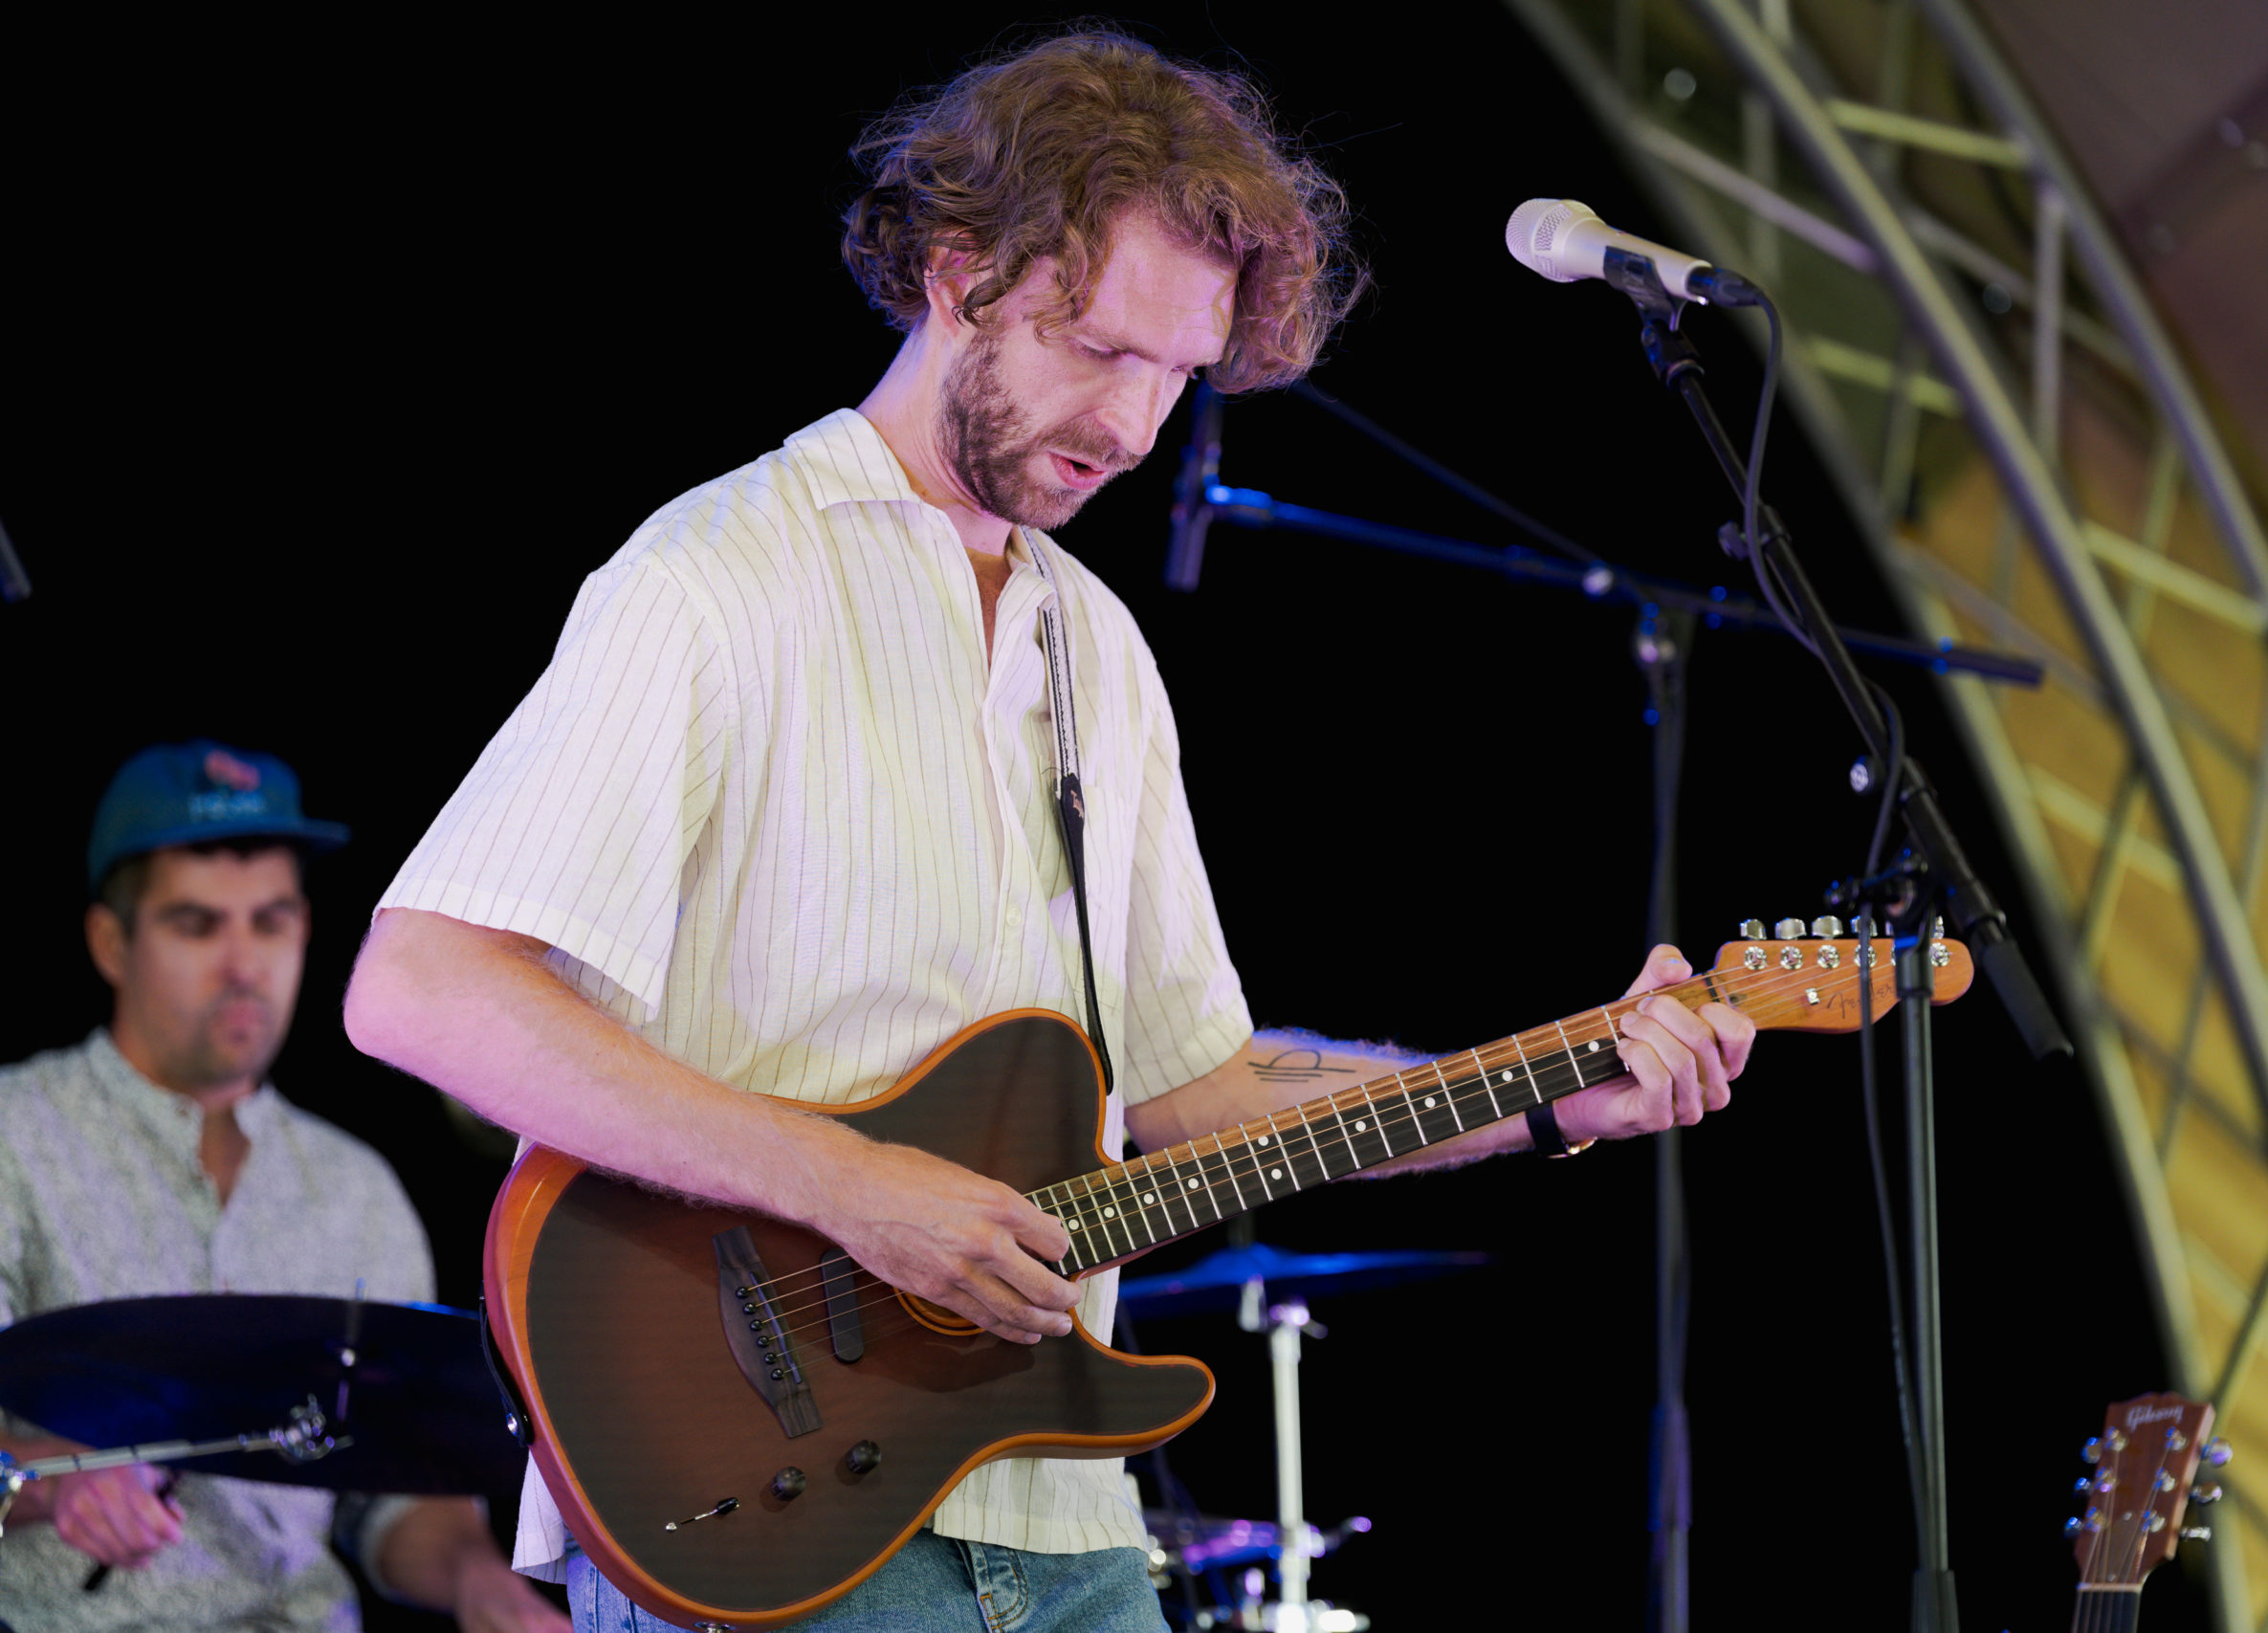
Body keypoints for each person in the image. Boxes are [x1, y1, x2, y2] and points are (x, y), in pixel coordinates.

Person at [341, 30, 1756, 1633]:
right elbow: (422, 987)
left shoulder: (1100, 648)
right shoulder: (715, 577)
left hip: (1064, 1512)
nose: (1139, 424)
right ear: (959, 273)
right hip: (772, 1510)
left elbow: (1199, 1091)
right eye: (1098, 348)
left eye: (1179, 372)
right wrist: (855, 1187)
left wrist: (1556, 1088)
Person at [0, 740, 567, 1633]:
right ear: (111, 942)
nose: (243, 963)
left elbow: (397, 1496)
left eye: (270, 921)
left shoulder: (355, 1187)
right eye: (197, 924)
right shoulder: (16, 1132)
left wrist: (480, 1583)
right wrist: (52, 1482)